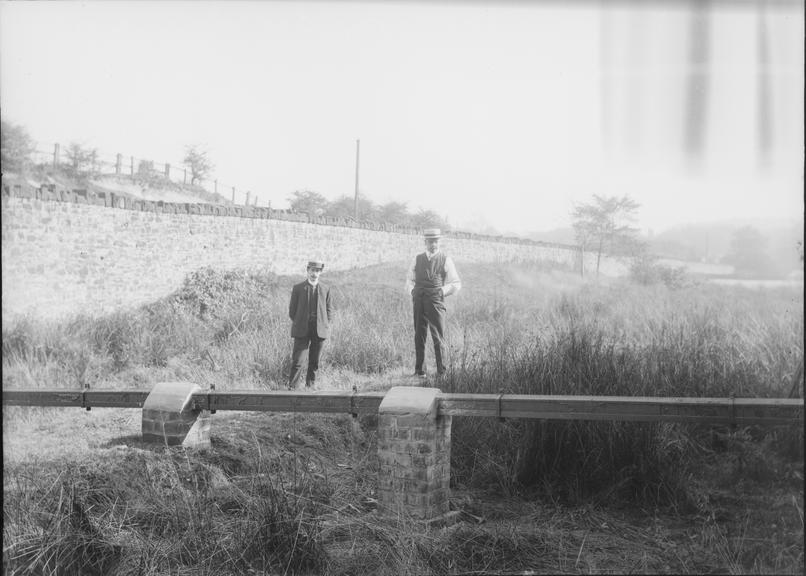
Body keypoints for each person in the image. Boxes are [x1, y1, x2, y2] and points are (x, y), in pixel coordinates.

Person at [404, 228, 461, 378]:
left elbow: (456, 283)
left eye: (435, 241)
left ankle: (442, 372)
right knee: (419, 334)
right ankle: (419, 371)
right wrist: (412, 291)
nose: (433, 244)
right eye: (430, 241)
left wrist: (441, 291)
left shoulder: (445, 259)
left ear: (439, 242)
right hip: (419, 299)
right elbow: (409, 279)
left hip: (436, 301)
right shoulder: (417, 258)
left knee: (438, 335)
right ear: (425, 242)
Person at [288, 260, 333, 389]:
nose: (314, 273)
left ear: (320, 273)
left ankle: (310, 388)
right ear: (307, 271)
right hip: (302, 329)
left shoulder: (326, 289)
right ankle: (293, 389)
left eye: (317, 271)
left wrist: (323, 324)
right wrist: (300, 322)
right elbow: (292, 311)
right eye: (312, 270)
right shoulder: (298, 288)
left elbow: (329, 311)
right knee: (298, 361)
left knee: (314, 362)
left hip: (319, 330)